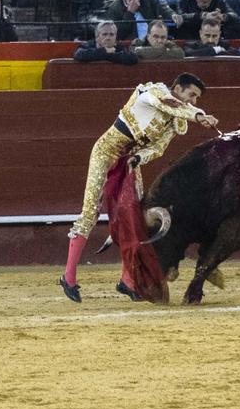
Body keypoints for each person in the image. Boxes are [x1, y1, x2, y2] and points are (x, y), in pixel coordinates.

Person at [58, 72, 215, 303]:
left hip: (129, 161)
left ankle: (127, 281)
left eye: (197, 99)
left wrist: (139, 158)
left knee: (134, 220)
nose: (194, 101)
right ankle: (68, 277)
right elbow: (169, 104)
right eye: (191, 94)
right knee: (89, 213)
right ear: (178, 88)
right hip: (105, 153)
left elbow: (159, 148)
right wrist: (199, 115)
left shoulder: (177, 120)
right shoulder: (152, 94)